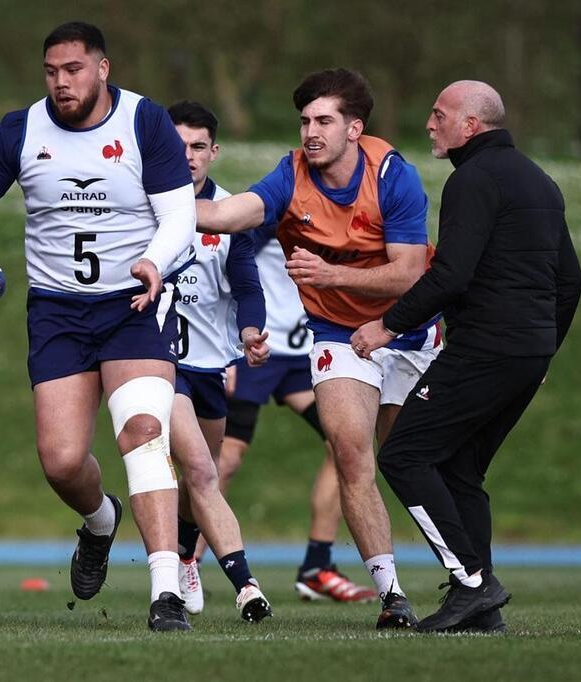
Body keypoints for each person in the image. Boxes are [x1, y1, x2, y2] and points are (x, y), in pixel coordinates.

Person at [0, 22, 197, 631]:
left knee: (141, 431)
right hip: (57, 310)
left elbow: (180, 214)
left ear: (103, 68)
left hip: (134, 302)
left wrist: (154, 262)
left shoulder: (145, 122)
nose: (62, 82)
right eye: (52, 71)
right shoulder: (20, 130)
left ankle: (166, 592)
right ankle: (100, 522)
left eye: (74, 69)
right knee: (60, 461)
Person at [195, 68, 437, 629]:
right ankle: (391, 594)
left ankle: (471, 576)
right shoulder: (290, 175)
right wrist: (161, 205)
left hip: (409, 330)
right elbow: (234, 217)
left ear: (355, 128)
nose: (310, 131)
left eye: (323, 120)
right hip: (332, 337)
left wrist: (331, 275)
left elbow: (408, 275)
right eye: (305, 120)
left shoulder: (393, 176)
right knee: (349, 452)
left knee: (417, 463)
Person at [351, 80, 581, 633]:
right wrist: (543, 348)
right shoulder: (540, 181)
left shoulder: (472, 180)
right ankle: (482, 610)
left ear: (470, 125)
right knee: (458, 467)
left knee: (404, 455)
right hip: (525, 352)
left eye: (439, 114)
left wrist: (386, 325)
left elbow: (451, 276)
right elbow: (569, 281)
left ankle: (474, 584)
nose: (430, 124)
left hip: (486, 347)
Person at [214, 225, 377, 604]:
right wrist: (225, 339)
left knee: (346, 445)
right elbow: (224, 267)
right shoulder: (277, 205)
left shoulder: (344, 209)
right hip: (257, 349)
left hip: (305, 352)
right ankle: (186, 560)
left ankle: (317, 567)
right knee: (225, 461)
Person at [165, 101, 273, 622]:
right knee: (203, 469)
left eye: (198, 146)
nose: (187, 156)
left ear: (213, 151)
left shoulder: (230, 212)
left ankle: (186, 557)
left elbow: (248, 287)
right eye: (177, 144)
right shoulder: (139, 204)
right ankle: (244, 584)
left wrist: (251, 333)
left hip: (210, 365)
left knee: (195, 479)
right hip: (157, 362)